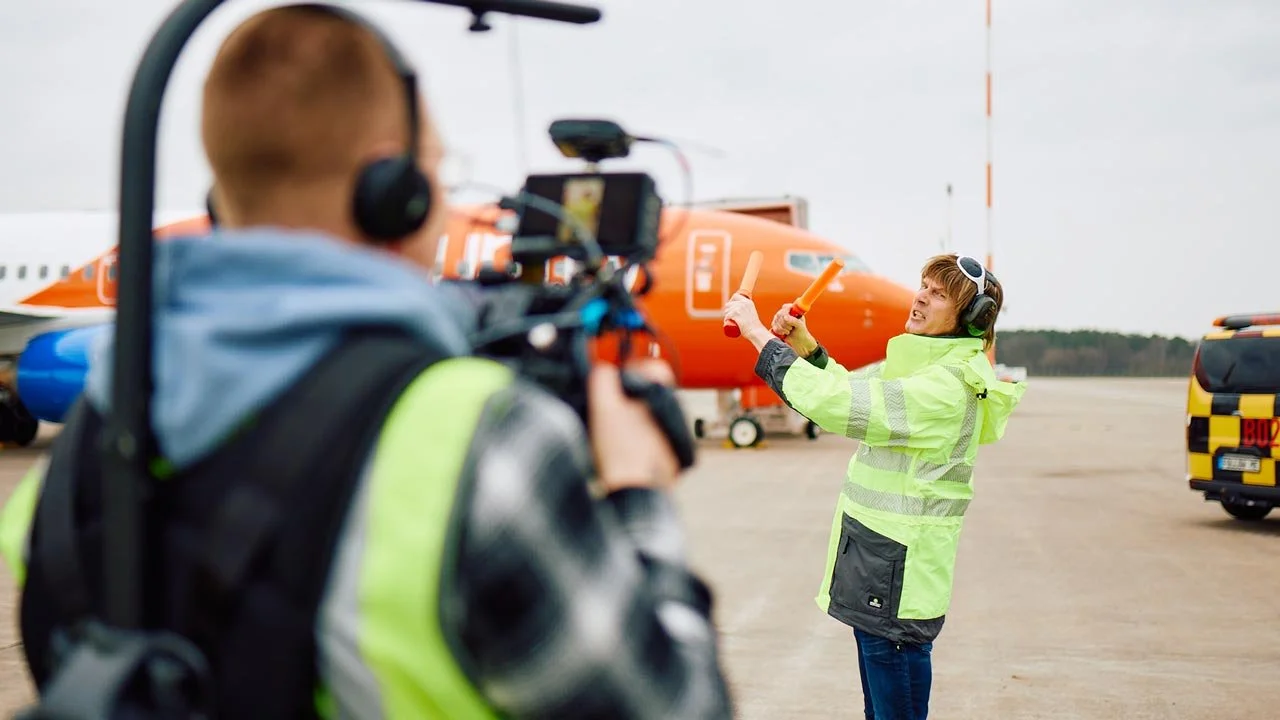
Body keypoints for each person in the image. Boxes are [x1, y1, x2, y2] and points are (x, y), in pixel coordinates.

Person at [0, 5, 734, 718]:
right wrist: (639, 492)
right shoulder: (478, 440)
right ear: (395, 194)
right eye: (437, 174)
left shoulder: (76, 463)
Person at [722, 253, 1026, 720]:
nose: (921, 295)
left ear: (971, 318)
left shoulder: (947, 385)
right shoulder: (922, 368)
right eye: (923, 284)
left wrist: (757, 334)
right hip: (877, 558)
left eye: (939, 293)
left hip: (899, 572)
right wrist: (805, 345)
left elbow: (840, 406)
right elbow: (855, 392)